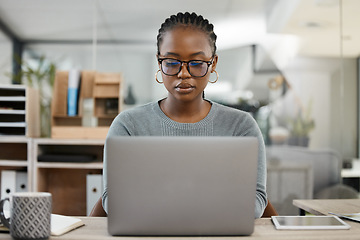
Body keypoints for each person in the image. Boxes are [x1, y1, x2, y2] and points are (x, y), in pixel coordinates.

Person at [102, 12, 267, 218]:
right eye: (171, 62)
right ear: (159, 61)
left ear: (213, 63)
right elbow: (112, 201)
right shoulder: (128, 125)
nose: (184, 73)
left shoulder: (241, 126)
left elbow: (256, 201)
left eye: (197, 63)